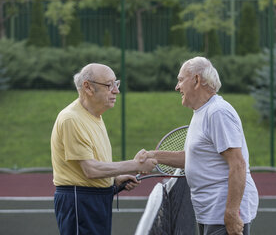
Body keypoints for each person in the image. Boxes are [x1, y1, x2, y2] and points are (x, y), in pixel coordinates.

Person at [137, 56, 259, 235]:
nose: (177, 87)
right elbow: (191, 158)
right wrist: (153, 155)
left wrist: (231, 213)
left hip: (222, 213)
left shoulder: (218, 112)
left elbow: (238, 164)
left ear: (196, 80)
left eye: (180, 80)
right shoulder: (202, 111)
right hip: (209, 212)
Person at [51, 63, 157, 235]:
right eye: (109, 85)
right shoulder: (71, 119)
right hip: (80, 201)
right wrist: (136, 165)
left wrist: (114, 179)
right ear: (88, 87)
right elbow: (90, 170)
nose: (116, 90)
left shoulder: (95, 116)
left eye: (117, 84)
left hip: (94, 199)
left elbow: (94, 166)